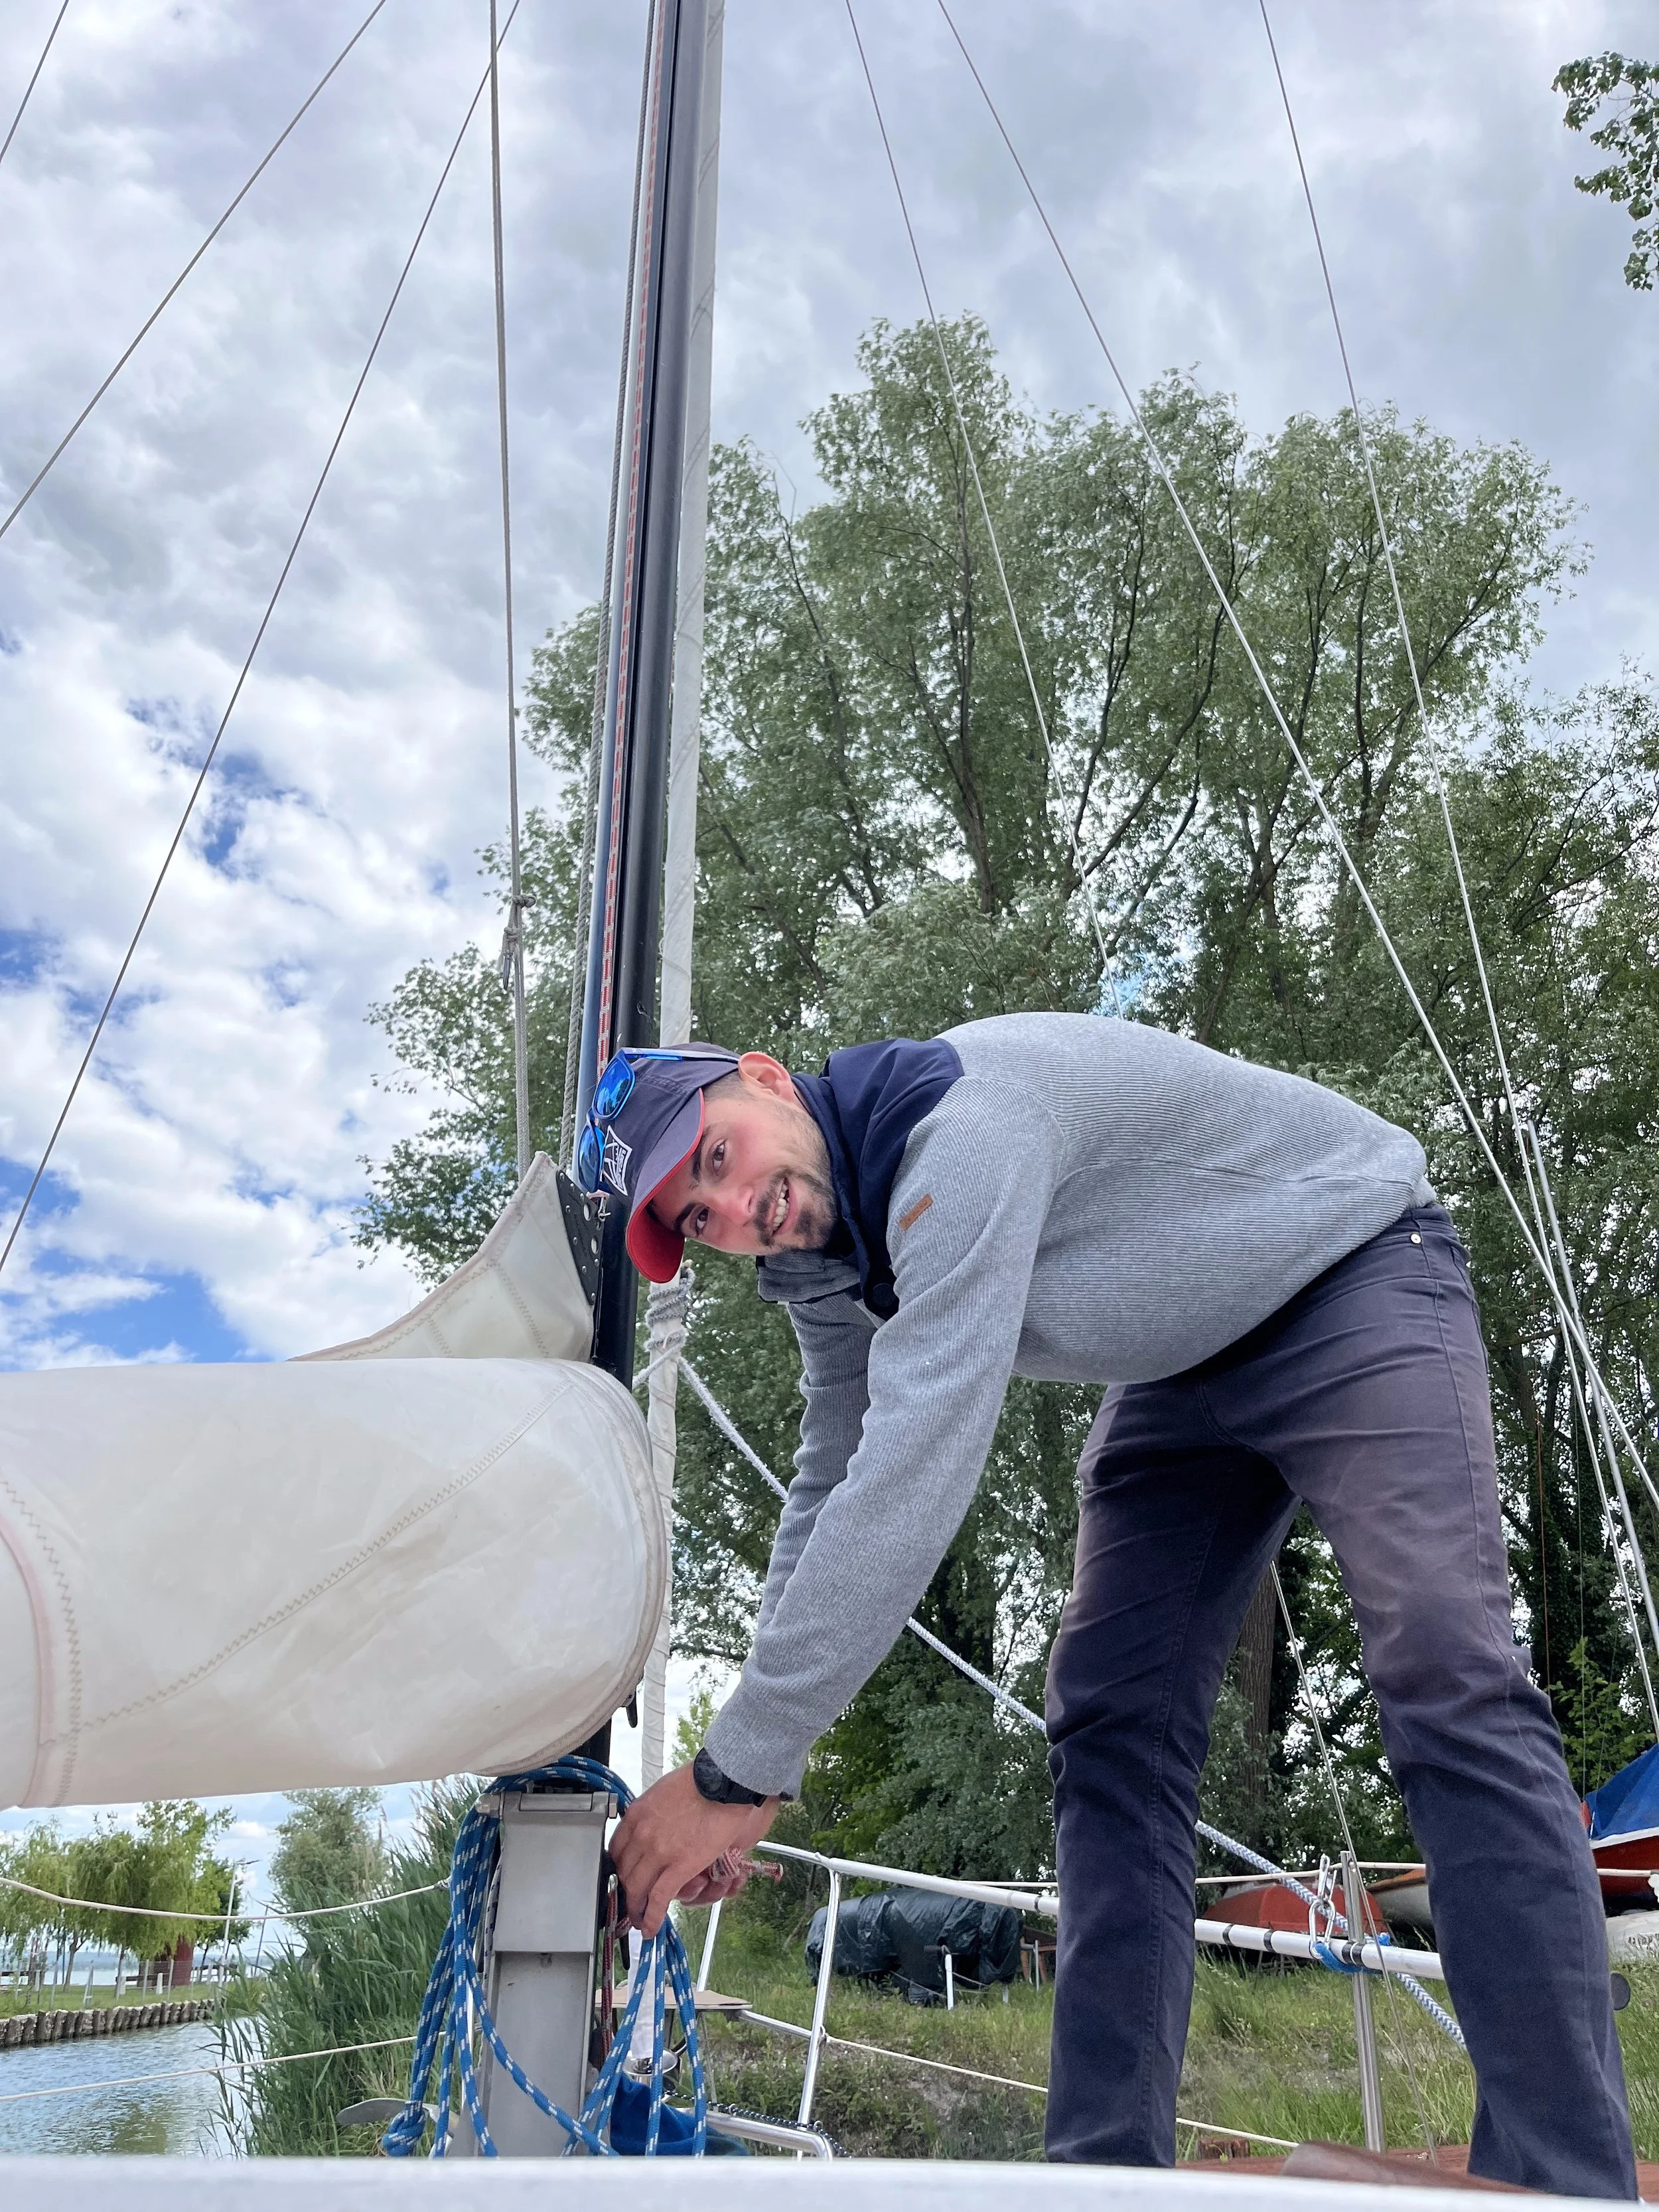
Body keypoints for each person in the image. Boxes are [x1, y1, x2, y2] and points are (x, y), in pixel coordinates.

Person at [599, 1013, 1636, 2195]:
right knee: (1108, 1723)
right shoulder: (818, 1261)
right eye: (698, 1216)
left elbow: (917, 1462)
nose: (735, 1209)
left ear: (770, 1081)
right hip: (1180, 1365)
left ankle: (1564, 2182)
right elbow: (832, 1474)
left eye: (720, 1159)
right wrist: (752, 1774)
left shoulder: (959, 1125)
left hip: (1352, 1270)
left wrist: (734, 1774)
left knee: (1442, 1668)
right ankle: (1103, 2181)